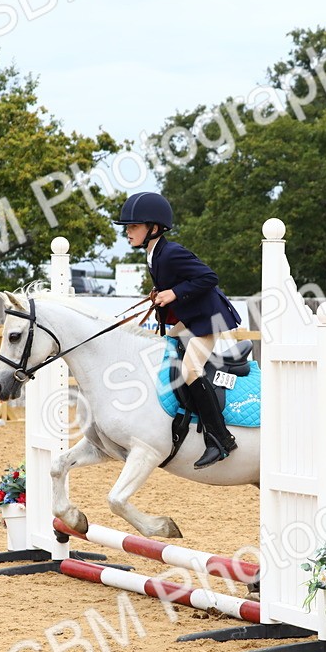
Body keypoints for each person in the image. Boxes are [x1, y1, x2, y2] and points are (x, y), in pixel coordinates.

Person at [112, 192, 242, 468]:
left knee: (191, 369)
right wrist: (161, 293)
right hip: (193, 317)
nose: (128, 232)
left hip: (209, 318)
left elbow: (209, 277)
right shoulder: (154, 254)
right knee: (165, 342)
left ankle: (220, 440)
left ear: (154, 228)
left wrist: (173, 292)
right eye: (128, 227)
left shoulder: (171, 253)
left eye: (133, 227)